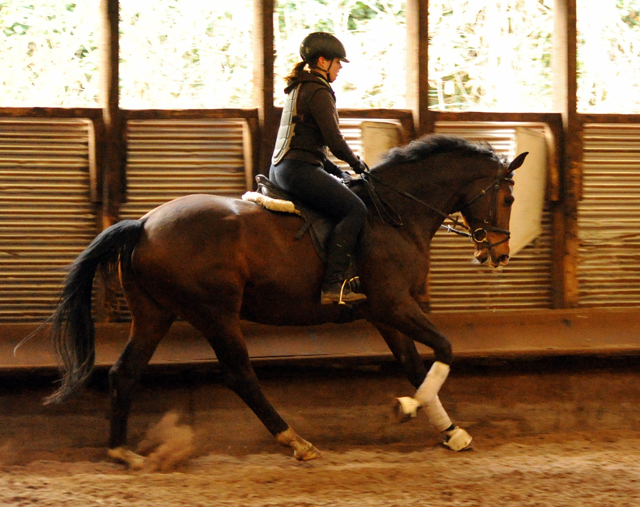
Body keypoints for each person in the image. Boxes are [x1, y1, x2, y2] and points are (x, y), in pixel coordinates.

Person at [269, 31, 368, 306]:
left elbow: (311, 144)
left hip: (284, 167)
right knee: (355, 210)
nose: (339, 69)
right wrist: (358, 164)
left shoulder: (299, 87)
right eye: (337, 63)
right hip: (298, 170)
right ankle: (333, 285)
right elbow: (334, 141)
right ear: (323, 61)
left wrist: (339, 173)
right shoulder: (319, 90)